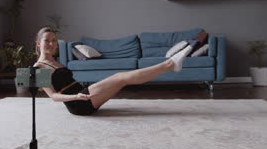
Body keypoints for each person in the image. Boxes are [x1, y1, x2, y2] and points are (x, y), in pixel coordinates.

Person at [33, 27, 193, 116]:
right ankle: (170, 64)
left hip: (83, 94)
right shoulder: (39, 68)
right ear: (39, 43)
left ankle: (171, 65)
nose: (52, 43)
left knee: (122, 79)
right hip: (78, 104)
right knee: (120, 77)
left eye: (54, 40)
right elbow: (53, 96)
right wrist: (76, 96)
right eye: (47, 40)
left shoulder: (54, 61)